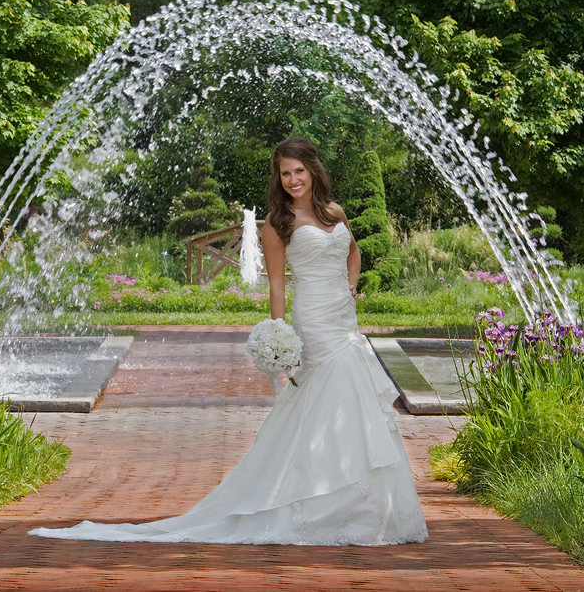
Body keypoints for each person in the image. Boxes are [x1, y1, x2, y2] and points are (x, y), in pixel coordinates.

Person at [28, 136, 427, 545]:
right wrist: (279, 334)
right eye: (285, 174)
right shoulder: (278, 222)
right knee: (328, 393)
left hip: (343, 317)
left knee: (351, 401)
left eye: (299, 171)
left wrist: (350, 287)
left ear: (313, 170)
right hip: (314, 319)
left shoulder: (334, 212)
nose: (292, 180)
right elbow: (276, 285)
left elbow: (353, 252)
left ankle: (361, 505)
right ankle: (315, 504)